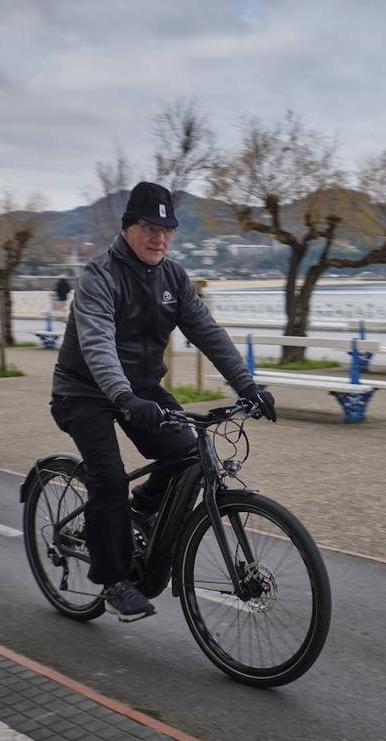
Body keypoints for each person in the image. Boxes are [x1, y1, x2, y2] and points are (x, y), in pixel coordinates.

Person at [50, 181, 276, 622]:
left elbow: (208, 333)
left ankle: (143, 509)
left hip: (142, 389)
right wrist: (122, 396)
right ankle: (114, 579)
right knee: (108, 474)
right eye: (149, 228)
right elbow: (97, 345)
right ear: (128, 228)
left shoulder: (174, 277)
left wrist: (249, 387)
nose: (160, 238)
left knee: (189, 452)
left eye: (167, 230)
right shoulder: (99, 277)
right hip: (83, 391)